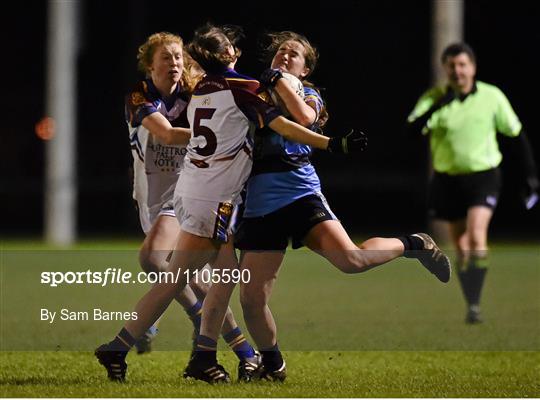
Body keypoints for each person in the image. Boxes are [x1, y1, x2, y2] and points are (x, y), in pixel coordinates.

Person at [95, 23, 366, 383]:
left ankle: (173, 351)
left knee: (204, 278)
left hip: (193, 190)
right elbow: (288, 125)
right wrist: (332, 143)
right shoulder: (245, 88)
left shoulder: (202, 88)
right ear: (230, 55)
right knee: (200, 280)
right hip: (215, 197)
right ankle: (189, 356)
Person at [187, 31, 452, 383]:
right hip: (259, 203)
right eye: (280, 52)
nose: (283, 56)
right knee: (252, 297)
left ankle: (414, 243)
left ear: (306, 68)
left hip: (299, 193)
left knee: (351, 261)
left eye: (293, 54)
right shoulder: (254, 90)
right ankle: (273, 364)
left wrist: (282, 81)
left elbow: (304, 119)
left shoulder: (305, 92)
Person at [113, 31, 259, 373]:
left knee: (156, 260)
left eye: (179, 56)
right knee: (192, 278)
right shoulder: (139, 96)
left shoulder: (198, 93)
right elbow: (165, 134)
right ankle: (241, 351)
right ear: (150, 65)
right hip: (151, 196)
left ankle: (205, 330)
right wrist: (217, 132)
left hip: (189, 193)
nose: (175, 63)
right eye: (166, 57)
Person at [407, 42, 538, 324]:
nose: (457, 71)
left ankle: (475, 306)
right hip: (447, 180)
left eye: (462, 65)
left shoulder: (492, 97)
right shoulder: (435, 97)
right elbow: (411, 130)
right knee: (463, 246)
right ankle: (472, 302)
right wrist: (437, 108)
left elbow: (516, 135)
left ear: (473, 68)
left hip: (483, 177)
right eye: (451, 66)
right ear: (445, 69)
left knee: (478, 236)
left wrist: (530, 175)